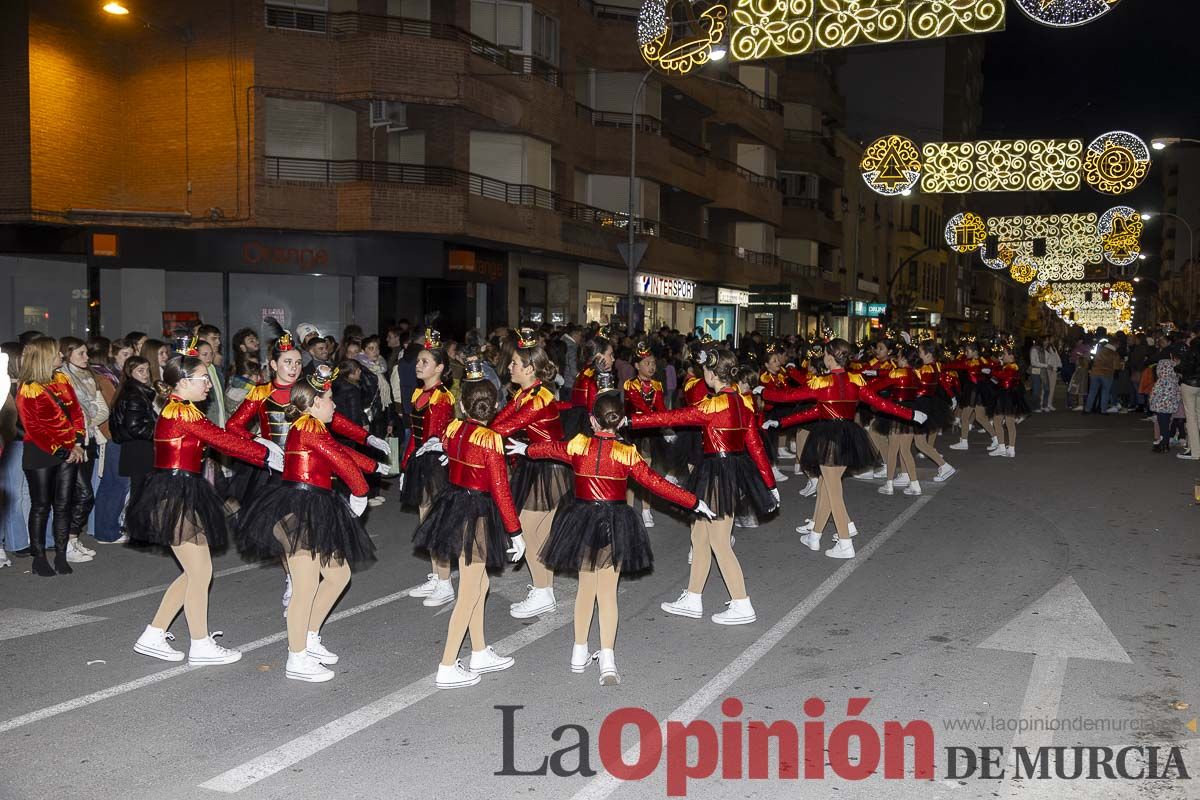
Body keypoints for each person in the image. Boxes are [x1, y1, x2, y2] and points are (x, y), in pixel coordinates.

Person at [508, 387, 713, 685]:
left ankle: (578, 653)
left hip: (582, 521)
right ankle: (607, 659)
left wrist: (524, 449)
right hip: (614, 523)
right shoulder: (627, 453)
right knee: (607, 595)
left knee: (585, 590)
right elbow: (656, 484)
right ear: (620, 422)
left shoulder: (579, 445)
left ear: (592, 421)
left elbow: (552, 448)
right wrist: (693, 501)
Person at [128, 349, 281, 664]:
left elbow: (220, 436)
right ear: (184, 381)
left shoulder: (182, 409)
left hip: (180, 490)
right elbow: (222, 441)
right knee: (200, 572)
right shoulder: (181, 412)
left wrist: (259, 449)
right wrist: (264, 455)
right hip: (175, 493)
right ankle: (199, 645)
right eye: (203, 378)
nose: (208, 384)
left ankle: (154, 634)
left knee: (194, 571)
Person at [240, 366, 382, 681]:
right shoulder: (310, 428)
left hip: (313, 504)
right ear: (315, 402)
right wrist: (361, 491)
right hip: (300, 510)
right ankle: (297, 657)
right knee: (304, 588)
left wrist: (373, 464)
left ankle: (310, 636)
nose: (335, 405)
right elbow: (340, 460)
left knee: (338, 575)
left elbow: (337, 452)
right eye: (330, 399)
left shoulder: (310, 425)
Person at [630, 348, 779, 625]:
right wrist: (769, 483)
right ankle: (693, 597)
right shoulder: (743, 403)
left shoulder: (714, 404)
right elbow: (755, 445)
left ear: (711, 374)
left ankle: (741, 602)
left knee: (719, 542)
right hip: (730, 471)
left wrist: (631, 420)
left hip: (716, 473)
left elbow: (670, 418)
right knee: (699, 535)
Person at [412, 367, 525, 689]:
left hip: (454, 505)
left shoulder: (453, 428)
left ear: (462, 405)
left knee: (481, 584)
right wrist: (515, 532)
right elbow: (501, 489)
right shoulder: (491, 440)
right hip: (476, 512)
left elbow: (448, 451)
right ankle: (447, 664)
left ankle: (479, 651)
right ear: (494, 406)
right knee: (469, 592)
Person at [764, 339, 921, 559]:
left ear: (830, 356)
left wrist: (764, 391)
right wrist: (911, 414)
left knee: (833, 490)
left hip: (828, 437)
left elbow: (787, 396)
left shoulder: (822, 382)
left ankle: (845, 542)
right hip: (848, 436)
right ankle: (815, 536)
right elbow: (879, 403)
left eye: (825, 354)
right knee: (828, 488)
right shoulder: (855, 380)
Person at [490, 330, 570, 619]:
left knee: (524, 528)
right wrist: (479, 427)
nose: (509, 367)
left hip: (548, 469)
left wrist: (468, 434)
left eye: (514, 363)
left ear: (529, 368)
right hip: (538, 464)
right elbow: (500, 420)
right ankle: (544, 591)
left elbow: (506, 428)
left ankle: (541, 590)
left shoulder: (539, 399)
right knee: (540, 533)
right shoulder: (526, 392)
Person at [16, 337, 89, 576]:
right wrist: (63, 451)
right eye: (57, 353)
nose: (61, 356)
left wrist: (78, 442)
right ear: (46, 356)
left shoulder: (62, 379)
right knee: (40, 506)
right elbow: (34, 428)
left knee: (63, 504)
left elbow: (76, 412)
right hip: (40, 453)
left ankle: (60, 554)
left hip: (68, 451)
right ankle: (39, 557)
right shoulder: (29, 387)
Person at [399, 330, 456, 608]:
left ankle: (445, 584)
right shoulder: (419, 393)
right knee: (425, 521)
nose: (418, 365)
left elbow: (438, 437)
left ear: (440, 368)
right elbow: (415, 435)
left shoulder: (441, 397)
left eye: (425, 362)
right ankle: (436, 576)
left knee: (436, 523)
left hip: (436, 465)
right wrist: (404, 467)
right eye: (418, 361)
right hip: (421, 462)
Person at [59, 337, 108, 560]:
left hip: (88, 439)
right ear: (67, 354)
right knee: (83, 494)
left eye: (86, 353)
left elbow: (102, 409)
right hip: (71, 442)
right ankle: (67, 542)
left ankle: (72, 540)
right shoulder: (62, 377)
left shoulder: (89, 376)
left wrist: (86, 421)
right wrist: (83, 419)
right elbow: (70, 412)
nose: (86, 358)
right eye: (81, 353)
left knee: (82, 493)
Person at [623, 342, 669, 528]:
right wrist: (656, 418)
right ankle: (627, 510)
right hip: (633, 432)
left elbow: (661, 408)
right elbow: (638, 405)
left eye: (653, 363)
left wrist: (667, 424)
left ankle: (646, 509)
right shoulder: (630, 384)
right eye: (647, 363)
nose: (651, 367)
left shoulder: (657, 385)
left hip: (649, 433)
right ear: (636, 365)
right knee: (630, 471)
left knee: (647, 471)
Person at [110, 356, 157, 516]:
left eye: (147, 370)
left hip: (137, 447)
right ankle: (139, 531)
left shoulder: (135, 391)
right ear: (130, 373)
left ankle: (140, 530)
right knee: (141, 492)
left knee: (140, 491)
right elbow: (135, 427)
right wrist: (158, 434)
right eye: (140, 370)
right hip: (139, 449)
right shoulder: (135, 394)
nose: (146, 374)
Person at [0, 344, 29, 565]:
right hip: (14, 443)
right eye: (24, 356)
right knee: (14, 494)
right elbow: (10, 421)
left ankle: (23, 538)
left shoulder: (23, 384)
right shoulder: (6, 387)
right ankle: (14, 542)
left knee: (24, 493)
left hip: (23, 442)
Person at [986, 347, 1028, 458]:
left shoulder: (1012, 367)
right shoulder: (1008, 366)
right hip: (1006, 396)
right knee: (1003, 422)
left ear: (1011, 356)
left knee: (1001, 421)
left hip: (1006, 397)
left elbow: (1004, 376)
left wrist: (992, 371)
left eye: (1004, 354)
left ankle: (1004, 448)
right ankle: (1008, 448)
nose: (1002, 356)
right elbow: (999, 378)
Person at [1150, 346, 1183, 453]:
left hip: (1160, 395)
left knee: (1162, 421)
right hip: (1171, 394)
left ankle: (1164, 443)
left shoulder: (1161, 364)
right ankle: (1165, 442)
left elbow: (1159, 375)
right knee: (1167, 420)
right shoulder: (1176, 365)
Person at [1177, 332, 1200, 460]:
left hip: (1190, 384)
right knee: (1198, 416)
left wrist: (1177, 367)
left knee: (1191, 418)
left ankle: (1195, 452)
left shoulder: (1192, 350)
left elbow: (1185, 367)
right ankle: (1194, 448)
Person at [1086, 339, 1122, 414]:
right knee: (1105, 392)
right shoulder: (1114, 354)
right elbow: (1116, 366)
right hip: (1107, 374)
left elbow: (1093, 360)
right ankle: (1103, 410)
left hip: (1095, 372)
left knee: (1092, 392)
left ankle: (1087, 409)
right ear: (1115, 344)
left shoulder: (1100, 351)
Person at [1041, 337, 1062, 411]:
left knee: (1052, 387)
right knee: (1046, 388)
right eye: (1051, 338)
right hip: (1048, 369)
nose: (1053, 339)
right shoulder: (1045, 348)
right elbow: (1045, 359)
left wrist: (1058, 365)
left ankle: (1049, 403)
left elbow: (1056, 358)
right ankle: (1043, 403)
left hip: (1054, 369)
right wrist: (1048, 365)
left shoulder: (1053, 347)